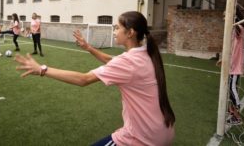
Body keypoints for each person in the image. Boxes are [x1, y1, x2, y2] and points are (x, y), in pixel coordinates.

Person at [15, 11, 175, 145]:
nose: (114, 32)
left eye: (117, 28)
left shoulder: (128, 61)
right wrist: (88, 47)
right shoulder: (145, 53)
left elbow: (83, 79)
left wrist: (43, 69)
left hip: (143, 137)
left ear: (130, 32)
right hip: (164, 131)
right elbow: (113, 62)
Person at [217, 8, 244, 125]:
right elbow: (230, 47)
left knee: (231, 87)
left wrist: (233, 18)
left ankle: (237, 115)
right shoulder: (234, 29)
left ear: (233, 17)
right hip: (232, 64)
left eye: (225, 16)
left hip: (235, 65)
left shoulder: (238, 29)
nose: (224, 18)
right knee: (230, 88)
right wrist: (223, 59)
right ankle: (232, 111)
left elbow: (234, 48)